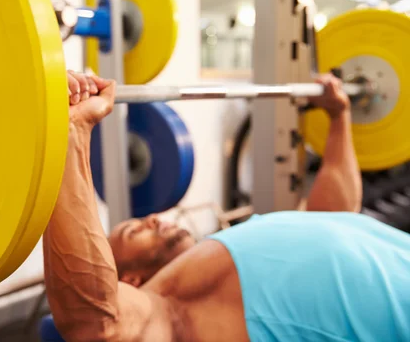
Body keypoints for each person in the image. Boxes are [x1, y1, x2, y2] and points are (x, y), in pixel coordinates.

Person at [43, 71, 410, 342]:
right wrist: (72, 131)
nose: (151, 218)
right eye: (133, 231)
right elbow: (95, 323)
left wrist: (338, 117)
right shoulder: (172, 311)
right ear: (127, 281)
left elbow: (334, 216)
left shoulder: (217, 259)